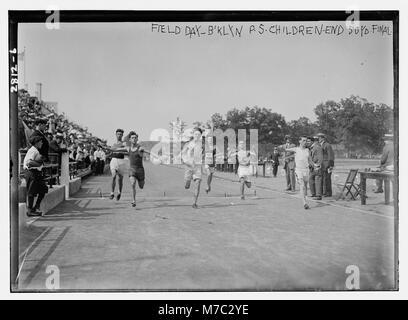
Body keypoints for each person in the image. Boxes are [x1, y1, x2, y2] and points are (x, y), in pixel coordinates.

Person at [283, 136, 313, 210]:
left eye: (306, 140)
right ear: (299, 141)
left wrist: (315, 165)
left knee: (305, 186)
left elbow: (310, 161)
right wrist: (281, 148)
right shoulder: (296, 149)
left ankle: (305, 198)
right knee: (302, 186)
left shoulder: (307, 150)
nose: (305, 142)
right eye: (303, 140)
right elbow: (285, 149)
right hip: (299, 170)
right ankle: (304, 203)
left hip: (306, 170)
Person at [23, 135, 48, 216]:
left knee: (43, 189)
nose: (42, 143)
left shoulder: (36, 150)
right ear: (36, 143)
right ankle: (30, 211)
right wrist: (39, 163)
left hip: (36, 172)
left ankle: (35, 207)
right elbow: (29, 163)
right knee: (31, 191)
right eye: (40, 142)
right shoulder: (33, 150)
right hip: (31, 172)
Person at [182, 128, 204, 209]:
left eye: (199, 134)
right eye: (196, 134)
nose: (197, 136)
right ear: (193, 135)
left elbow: (204, 155)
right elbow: (183, 155)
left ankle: (194, 203)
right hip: (189, 166)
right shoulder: (188, 144)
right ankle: (188, 182)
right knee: (187, 186)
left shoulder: (202, 144)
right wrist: (187, 161)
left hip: (197, 167)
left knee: (198, 184)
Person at [125, 132, 146, 207]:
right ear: (130, 140)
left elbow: (142, 151)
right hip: (132, 169)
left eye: (135, 138)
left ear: (137, 139)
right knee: (133, 184)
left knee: (141, 186)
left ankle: (142, 181)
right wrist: (109, 149)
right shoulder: (128, 148)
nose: (134, 139)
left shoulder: (140, 148)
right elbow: (118, 149)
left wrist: (142, 151)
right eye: (132, 138)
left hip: (140, 170)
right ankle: (133, 200)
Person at [107, 129, 128, 200]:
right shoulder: (113, 144)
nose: (119, 135)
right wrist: (108, 155)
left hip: (121, 161)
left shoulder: (124, 144)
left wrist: (117, 150)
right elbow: (111, 153)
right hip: (114, 161)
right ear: (116, 135)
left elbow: (126, 151)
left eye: (120, 134)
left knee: (120, 179)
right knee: (113, 176)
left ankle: (119, 192)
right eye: (118, 134)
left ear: (122, 135)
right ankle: (112, 193)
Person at [318, 133, 335, 197]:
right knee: (322, 179)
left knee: (327, 179)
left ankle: (328, 193)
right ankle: (323, 192)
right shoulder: (319, 145)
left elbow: (330, 155)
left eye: (319, 137)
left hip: (327, 164)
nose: (318, 139)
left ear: (323, 138)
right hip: (321, 165)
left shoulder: (327, 145)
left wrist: (330, 165)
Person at [308, 136, 323, 200]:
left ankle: (318, 195)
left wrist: (318, 166)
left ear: (312, 141)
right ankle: (313, 194)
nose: (307, 142)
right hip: (312, 167)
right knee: (310, 180)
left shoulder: (317, 147)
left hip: (316, 166)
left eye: (308, 141)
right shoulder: (311, 147)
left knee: (317, 180)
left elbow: (320, 158)